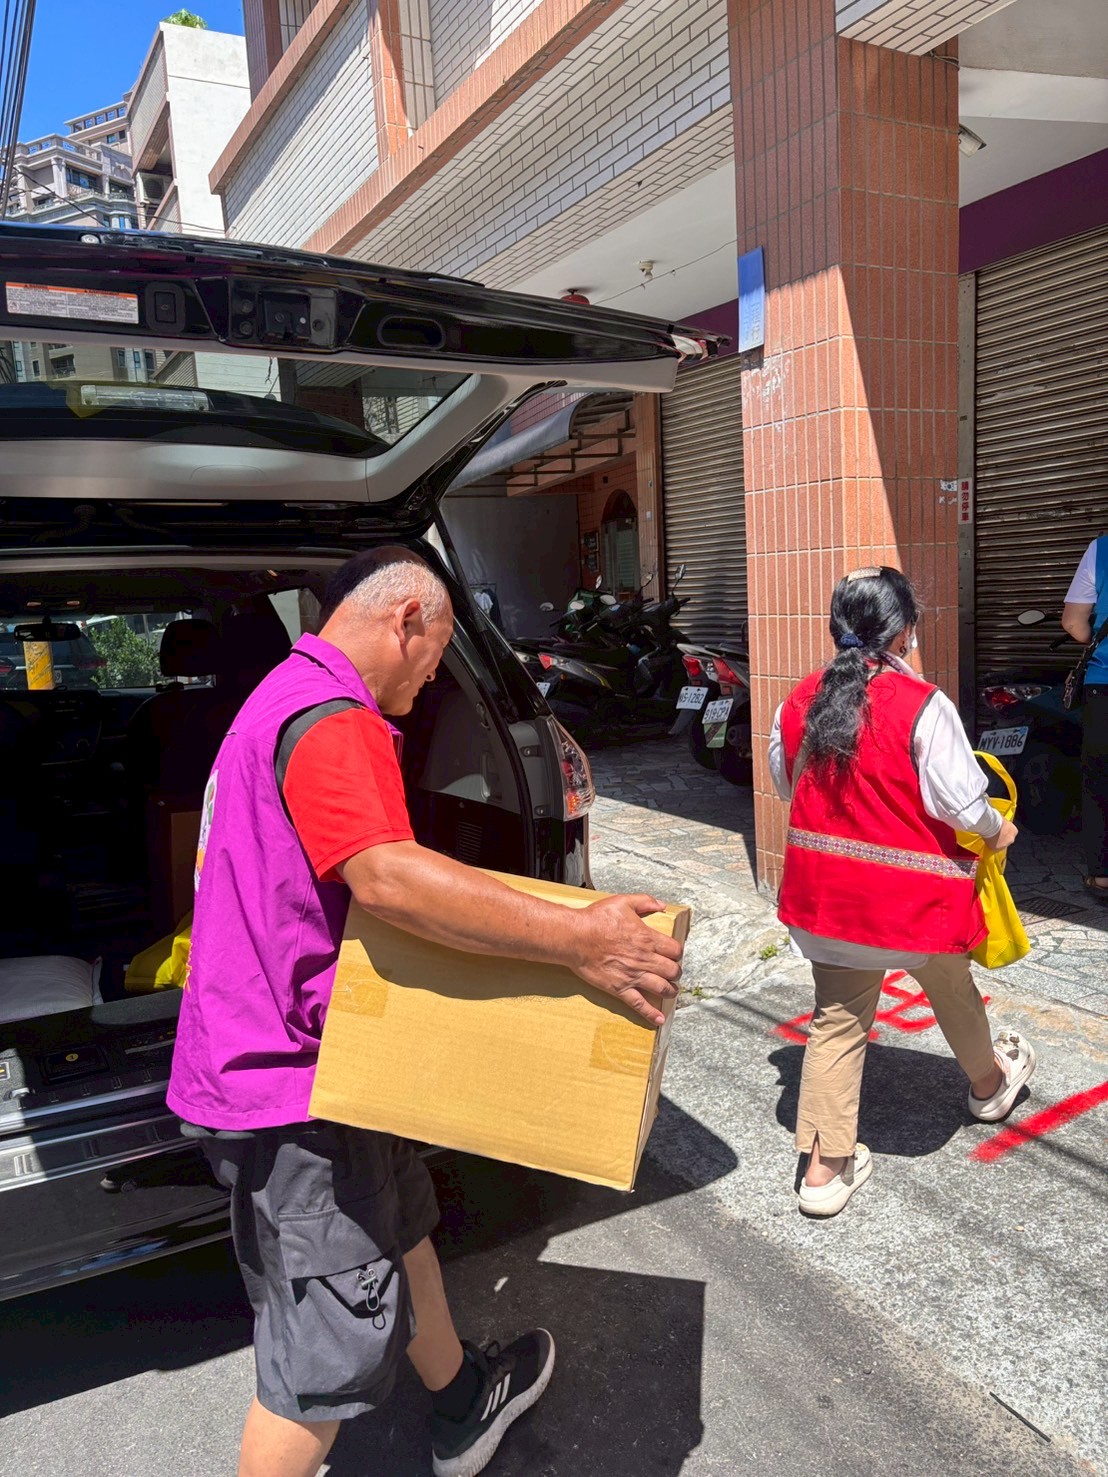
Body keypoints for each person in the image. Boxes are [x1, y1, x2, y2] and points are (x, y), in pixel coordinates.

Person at [166, 546, 683, 1477]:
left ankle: (460, 1398)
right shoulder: (332, 719)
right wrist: (578, 939)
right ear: (406, 619)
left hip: (315, 1061)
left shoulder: (276, 698)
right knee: (319, 1361)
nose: (436, 675)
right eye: (438, 652)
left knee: (396, 1227)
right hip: (295, 1089)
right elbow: (390, 878)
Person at [768, 566, 1037, 1218]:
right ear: (905, 629)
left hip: (823, 906)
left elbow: (784, 784)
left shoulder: (798, 699)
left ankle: (824, 1172)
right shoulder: (923, 704)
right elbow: (960, 804)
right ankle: (988, 1085)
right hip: (912, 909)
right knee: (950, 983)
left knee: (837, 1019)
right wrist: (998, 829)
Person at [1062, 535, 1108, 901]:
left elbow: (1074, 622)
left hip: (1105, 684)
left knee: (1100, 780)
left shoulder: (1101, 550)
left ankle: (1103, 876)